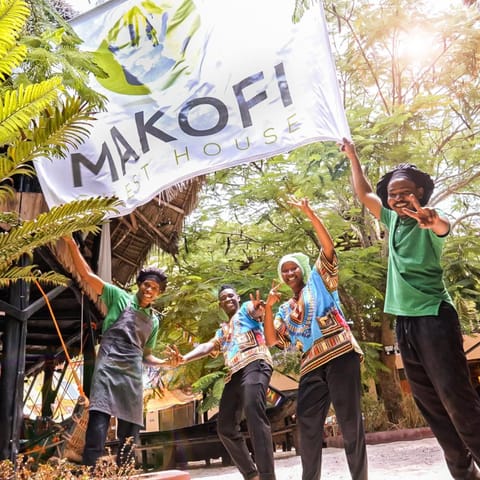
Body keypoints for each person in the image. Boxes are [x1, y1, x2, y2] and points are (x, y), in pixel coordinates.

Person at [341, 138, 480, 480]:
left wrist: (431, 219)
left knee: (456, 400)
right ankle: (464, 473)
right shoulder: (392, 220)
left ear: (420, 192)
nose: (398, 198)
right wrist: (353, 156)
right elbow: (363, 195)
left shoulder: (428, 221)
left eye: (405, 192)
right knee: (430, 405)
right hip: (405, 323)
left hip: (433, 317)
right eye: (392, 193)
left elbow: (441, 227)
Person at [264, 196, 367, 480]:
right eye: (284, 271)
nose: (289, 273)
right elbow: (273, 340)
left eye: (292, 267)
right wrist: (270, 307)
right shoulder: (285, 309)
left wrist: (309, 213)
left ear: (302, 268)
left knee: (349, 422)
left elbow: (328, 247)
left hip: (339, 355)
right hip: (310, 366)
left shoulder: (319, 282)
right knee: (307, 424)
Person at [63, 235, 178, 468]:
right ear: (140, 284)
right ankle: (92, 468)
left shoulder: (154, 321)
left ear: (159, 293)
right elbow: (87, 275)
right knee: (99, 415)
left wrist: (167, 362)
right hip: (108, 364)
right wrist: (71, 244)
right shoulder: (119, 297)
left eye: (155, 288)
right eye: (147, 284)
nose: (149, 290)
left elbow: (147, 356)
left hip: (133, 373)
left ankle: (124, 470)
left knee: (130, 427)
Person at [178, 285, 276, 480]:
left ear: (238, 297)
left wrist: (261, 308)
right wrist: (183, 358)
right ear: (220, 304)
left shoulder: (246, 309)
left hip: (255, 363)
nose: (228, 299)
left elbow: (256, 310)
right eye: (224, 297)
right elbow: (207, 346)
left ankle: (267, 476)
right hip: (235, 374)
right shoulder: (222, 330)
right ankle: (252, 475)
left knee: (253, 410)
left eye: (231, 295)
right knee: (225, 427)